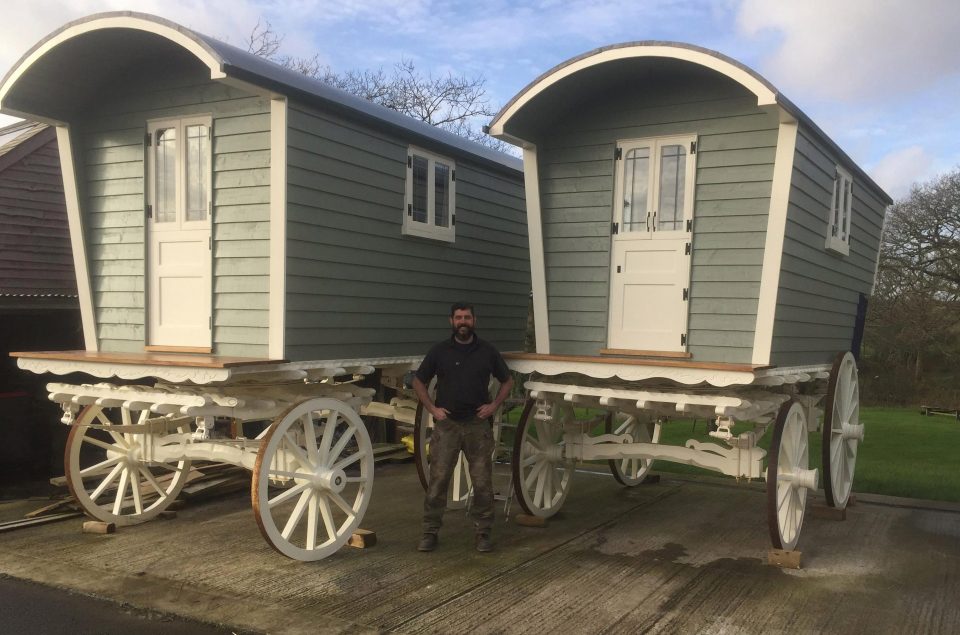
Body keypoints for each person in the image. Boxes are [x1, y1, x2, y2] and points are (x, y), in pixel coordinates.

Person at [413, 302, 514, 553]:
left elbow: (508, 381)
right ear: (451, 321)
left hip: (477, 426)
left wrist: (493, 406)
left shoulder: (487, 352)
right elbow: (418, 381)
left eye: (467, 317)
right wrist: (432, 410)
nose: (463, 322)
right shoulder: (439, 351)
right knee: (437, 481)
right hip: (447, 425)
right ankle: (429, 532)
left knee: (482, 483)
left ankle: (483, 533)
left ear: (474, 320)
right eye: (458, 318)